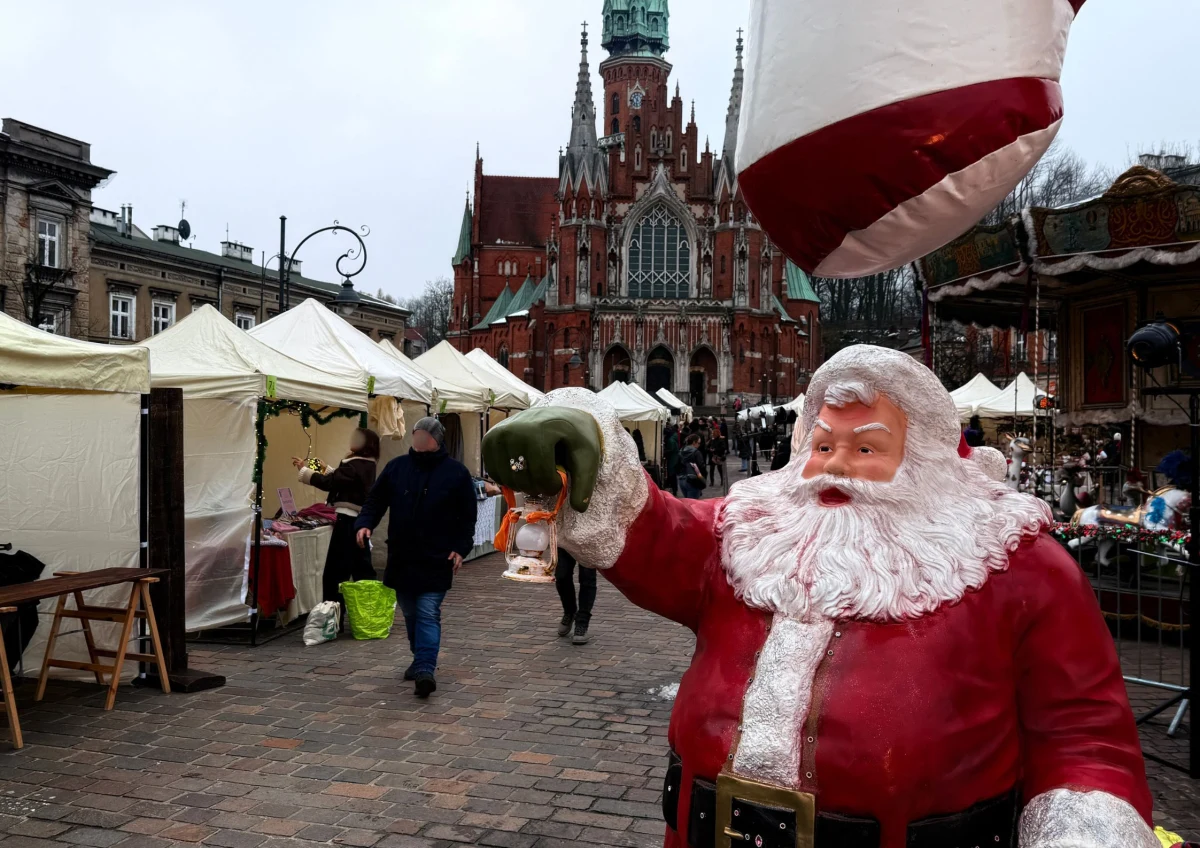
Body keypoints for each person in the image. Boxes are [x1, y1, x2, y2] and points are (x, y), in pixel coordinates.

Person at [483, 345, 1156, 848]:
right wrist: (581, 442)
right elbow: (655, 532)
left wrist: (1083, 829)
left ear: (923, 461)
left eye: (867, 448)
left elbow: (1084, 738)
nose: (835, 465)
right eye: (824, 444)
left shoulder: (1017, 566)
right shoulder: (749, 533)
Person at [355, 417, 476, 699]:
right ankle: (418, 658)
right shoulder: (397, 468)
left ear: (437, 439)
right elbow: (375, 500)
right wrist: (364, 523)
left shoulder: (456, 473)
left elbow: (467, 517)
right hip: (403, 555)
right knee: (410, 613)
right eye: (416, 434)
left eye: (424, 435)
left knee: (427, 612)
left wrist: (461, 547)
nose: (419, 439)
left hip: (437, 556)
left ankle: (425, 669)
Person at [293, 428, 380, 605]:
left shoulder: (354, 464)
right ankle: (370, 613)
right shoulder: (367, 464)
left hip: (347, 521)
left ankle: (333, 617)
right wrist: (326, 469)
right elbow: (344, 481)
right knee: (362, 569)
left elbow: (331, 483)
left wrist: (304, 470)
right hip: (358, 521)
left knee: (336, 572)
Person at [555, 547, 596, 645]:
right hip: (565, 536)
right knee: (562, 575)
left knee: (587, 577)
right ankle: (569, 611)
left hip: (589, 538)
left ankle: (582, 622)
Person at [678, 434, 705, 499]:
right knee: (693, 504)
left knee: (688, 503)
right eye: (698, 443)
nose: (699, 445)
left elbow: (677, 465)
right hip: (693, 480)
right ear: (694, 442)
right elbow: (701, 467)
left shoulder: (681, 450)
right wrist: (702, 480)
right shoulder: (696, 452)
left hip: (682, 479)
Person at [663, 424, 680, 495]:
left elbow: (671, 450)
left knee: (672, 475)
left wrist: (665, 451)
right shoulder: (674, 437)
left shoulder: (671, 440)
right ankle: (674, 489)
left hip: (672, 460)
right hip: (674, 459)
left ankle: (674, 490)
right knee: (673, 476)